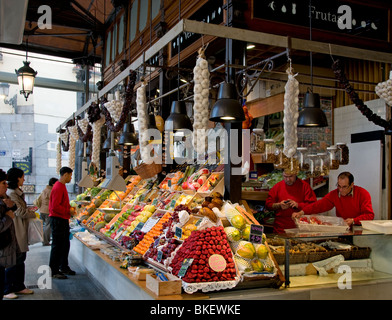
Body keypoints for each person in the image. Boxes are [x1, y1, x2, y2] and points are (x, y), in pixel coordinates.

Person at [292, 171, 374, 226]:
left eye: (344, 187)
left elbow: (369, 215)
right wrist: (301, 212)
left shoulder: (363, 193)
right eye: (339, 186)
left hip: (359, 228)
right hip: (343, 228)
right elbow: (318, 205)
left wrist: (354, 220)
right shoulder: (335, 194)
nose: (341, 190)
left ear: (352, 185)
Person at [4, 167, 36, 299]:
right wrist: (32, 212)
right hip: (16, 230)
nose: (24, 179)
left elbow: (21, 210)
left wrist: (28, 209)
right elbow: (20, 212)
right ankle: (7, 289)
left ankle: (19, 286)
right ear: (17, 178)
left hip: (20, 229)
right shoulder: (12, 194)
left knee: (21, 258)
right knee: (13, 260)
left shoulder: (17, 193)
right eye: (23, 177)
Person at [49, 167, 76, 279]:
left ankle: (63, 266)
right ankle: (54, 271)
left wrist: (69, 208)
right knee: (57, 246)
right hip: (58, 219)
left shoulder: (62, 186)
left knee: (64, 245)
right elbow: (55, 207)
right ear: (65, 175)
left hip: (62, 219)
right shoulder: (58, 187)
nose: (70, 178)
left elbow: (62, 203)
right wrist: (68, 211)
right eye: (70, 175)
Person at [0, 169, 19, 300]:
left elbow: (15, 207)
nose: (6, 185)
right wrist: (8, 217)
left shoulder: (4, 198)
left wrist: (11, 206)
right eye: (3, 183)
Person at [35, 177, 58, 246]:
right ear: (53, 183)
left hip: (42, 210)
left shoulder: (45, 190)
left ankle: (45, 239)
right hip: (48, 211)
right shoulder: (51, 191)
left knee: (44, 226)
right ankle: (45, 241)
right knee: (48, 226)